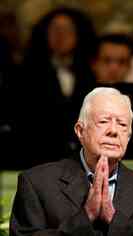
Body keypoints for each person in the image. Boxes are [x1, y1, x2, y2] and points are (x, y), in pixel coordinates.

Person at [10, 87, 133, 236]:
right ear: (80, 131)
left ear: (129, 137)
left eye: (122, 124)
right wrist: (86, 215)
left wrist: (113, 218)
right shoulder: (38, 184)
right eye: (103, 121)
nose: (113, 131)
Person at [19, 7, 97, 164]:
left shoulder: (91, 70)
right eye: (55, 29)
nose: (60, 35)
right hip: (41, 156)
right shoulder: (27, 73)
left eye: (67, 29)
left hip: (85, 157)